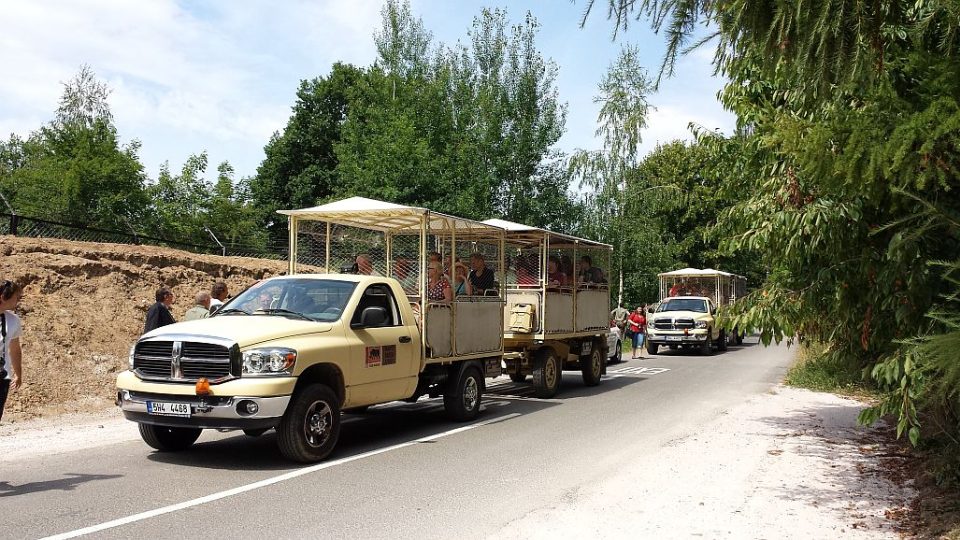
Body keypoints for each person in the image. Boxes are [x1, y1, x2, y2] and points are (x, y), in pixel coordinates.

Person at [0, 280, 24, 423]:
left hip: (2, 378)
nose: (18, 301)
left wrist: (18, 374)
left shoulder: (13, 320)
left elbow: (15, 350)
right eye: (17, 297)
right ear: (3, 297)